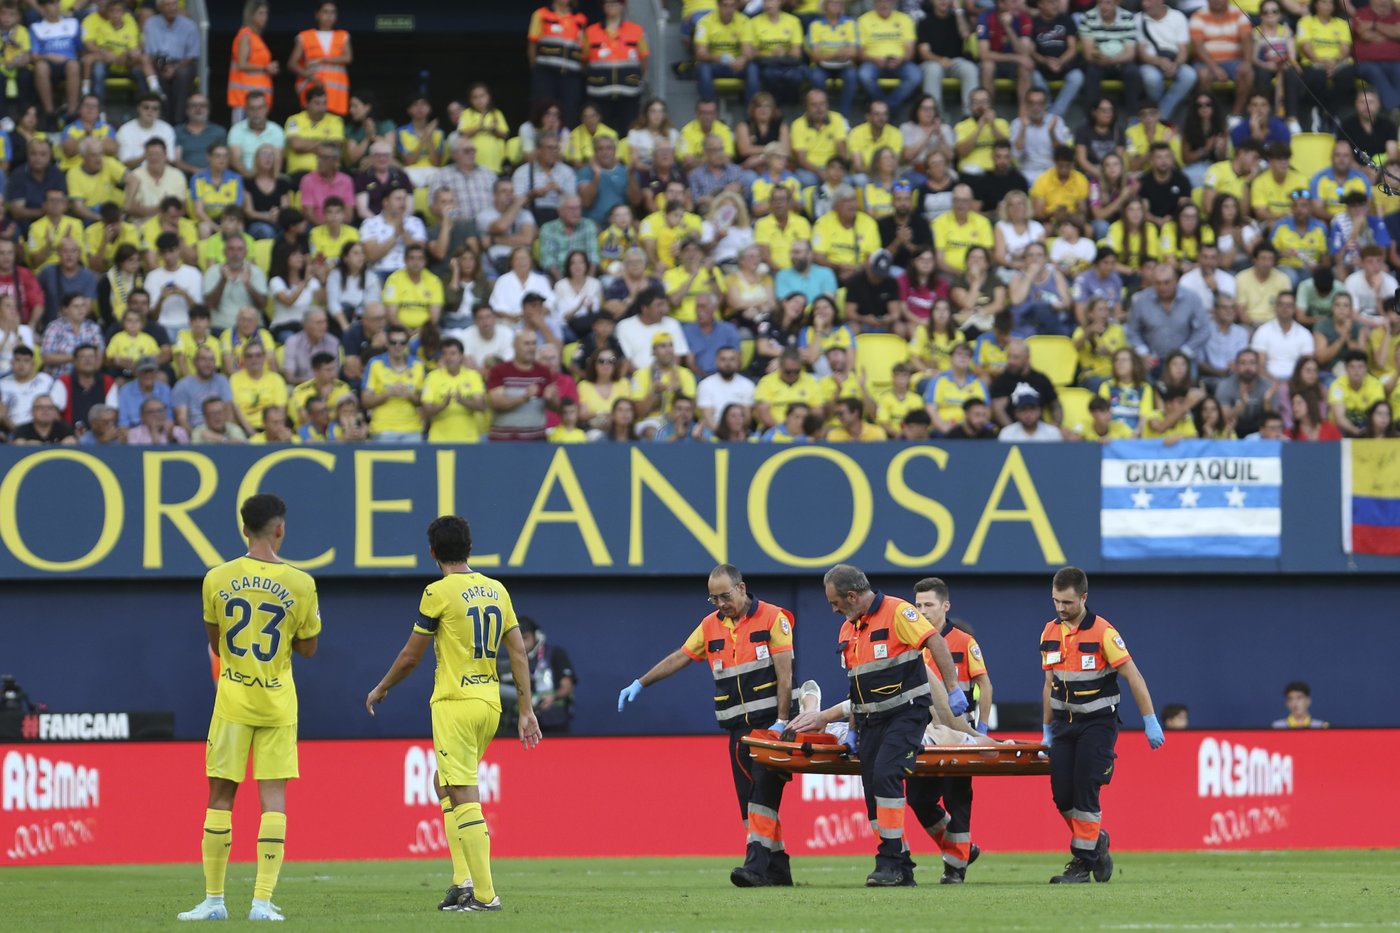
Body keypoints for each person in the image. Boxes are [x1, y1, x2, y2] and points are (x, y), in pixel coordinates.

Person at [366, 514, 541, 913]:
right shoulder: (497, 590)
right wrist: (526, 709)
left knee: (463, 793)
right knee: (442, 783)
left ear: (431, 552)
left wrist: (383, 686)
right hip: (490, 705)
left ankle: (484, 894)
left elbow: (412, 655)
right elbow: (517, 650)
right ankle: (462, 881)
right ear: (470, 548)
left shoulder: (438, 592)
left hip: (455, 704)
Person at [176, 494, 320, 923]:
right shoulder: (301, 583)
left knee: (220, 798)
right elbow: (309, 649)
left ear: (243, 529)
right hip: (277, 702)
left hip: (233, 700)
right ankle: (260, 903)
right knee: (272, 800)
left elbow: (215, 640)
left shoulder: (216, 578)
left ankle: (214, 901)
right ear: (280, 529)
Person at [618, 563, 797, 888]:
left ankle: (755, 869)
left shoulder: (773, 618)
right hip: (737, 730)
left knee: (762, 795)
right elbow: (680, 657)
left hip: (770, 726)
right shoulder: (710, 626)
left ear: (741, 588)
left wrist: (782, 721)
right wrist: (640, 683)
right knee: (749, 802)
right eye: (713, 599)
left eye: (724, 596)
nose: (719, 604)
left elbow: (785, 674)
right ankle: (778, 870)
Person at [821, 563, 966, 887]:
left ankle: (890, 861)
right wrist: (854, 727)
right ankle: (899, 864)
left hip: (906, 714)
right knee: (872, 789)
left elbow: (936, 643)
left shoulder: (899, 612)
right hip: (870, 721)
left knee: (887, 775)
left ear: (853, 595)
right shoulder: (849, 629)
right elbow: (856, 684)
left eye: (835, 602)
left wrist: (953, 688)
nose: (833, 609)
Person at [1041, 566, 1163, 885]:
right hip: (1063, 726)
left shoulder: (1104, 633)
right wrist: (1046, 728)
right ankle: (1096, 843)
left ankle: (1082, 862)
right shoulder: (1049, 632)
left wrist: (1150, 720)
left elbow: (1133, 676)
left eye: (1067, 602)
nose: (1060, 608)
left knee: (1085, 789)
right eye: (1055, 601)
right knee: (1061, 796)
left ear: (1083, 598)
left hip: (1097, 723)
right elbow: (1048, 683)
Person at [908, 576, 992, 884]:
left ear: (945, 606)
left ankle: (954, 868)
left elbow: (984, 683)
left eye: (928, 604)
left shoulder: (963, 642)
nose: (922, 610)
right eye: (917, 605)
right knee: (918, 798)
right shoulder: (911, 641)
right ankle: (961, 848)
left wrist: (980, 727)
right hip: (923, 734)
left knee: (958, 799)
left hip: (957, 732)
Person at [499, 616, 576, 735]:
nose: (522, 643)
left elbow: (567, 686)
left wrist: (553, 696)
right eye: (518, 639)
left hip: (553, 722)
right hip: (520, 724)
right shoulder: (509, 661)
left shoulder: (555, 654)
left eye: (525, 638)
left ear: (537, 635)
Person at [288, 1, 352, 117]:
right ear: (317, 14)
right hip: (313, 91)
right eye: (325, 12)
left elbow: (348, 57)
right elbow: (292, 63)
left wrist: (322, 59)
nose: (329, 16)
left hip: (335, 96)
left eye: (333, 12)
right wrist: (309, 76)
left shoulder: (343, 36)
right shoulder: (305, 36)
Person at [143, 0, 199, 123]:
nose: (171, 8)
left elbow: (192, 55)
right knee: (149, 74)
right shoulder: (150, 24)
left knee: (182, 75)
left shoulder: (189, 25)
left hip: (183, 63)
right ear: (160, 8)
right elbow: (150, 52)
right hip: (158, 62)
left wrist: (175, 67)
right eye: (167, 5)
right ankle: (162, 120)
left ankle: (178, 120)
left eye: (174, 4)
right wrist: (163, 67)